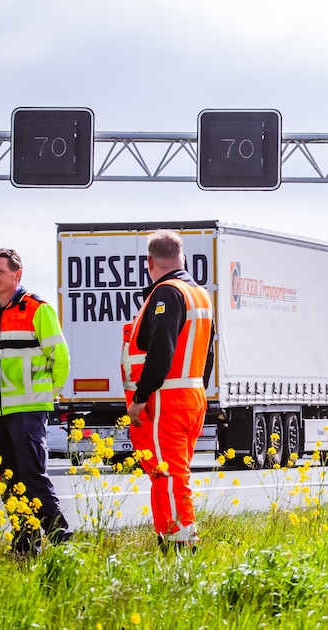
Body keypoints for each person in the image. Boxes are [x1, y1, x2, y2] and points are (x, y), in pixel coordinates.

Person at [121, 229, 213, 550]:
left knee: (170, 474)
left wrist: (140, 397)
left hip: (166, 400)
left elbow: (161, 350)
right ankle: (168, 536)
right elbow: (208, 352)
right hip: (191, 396)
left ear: (149, 263)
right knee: (165, 473)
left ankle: (181, 545)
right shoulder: (199, 294)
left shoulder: (166, 293)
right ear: (182, 256)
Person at [0, 247, 72, 553]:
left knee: (32, 476)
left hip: (30, 409)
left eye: (0, 271)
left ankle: (61, 540)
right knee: (9, 478)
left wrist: (47, 393)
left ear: (17, 275)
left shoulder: (37, 309)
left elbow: (60, 357)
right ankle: (25, 542)